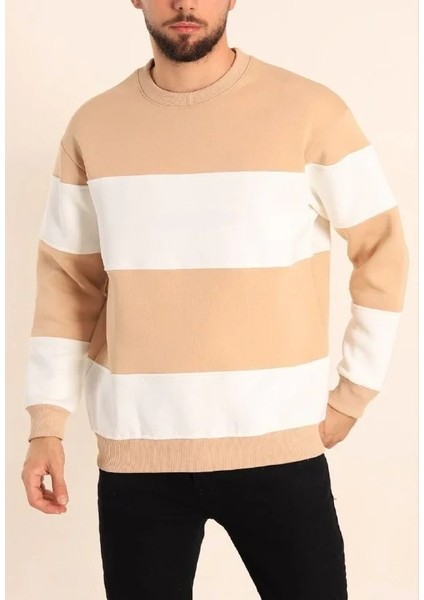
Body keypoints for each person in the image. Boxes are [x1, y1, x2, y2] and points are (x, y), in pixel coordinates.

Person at [20, 1, 409, 598]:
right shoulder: (94, 126)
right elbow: (68, 282)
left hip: (279, 445)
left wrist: (354, 395)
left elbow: (382, 250)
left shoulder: (310, 112)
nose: (185, 3)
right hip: (139, 455)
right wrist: (46, 426)